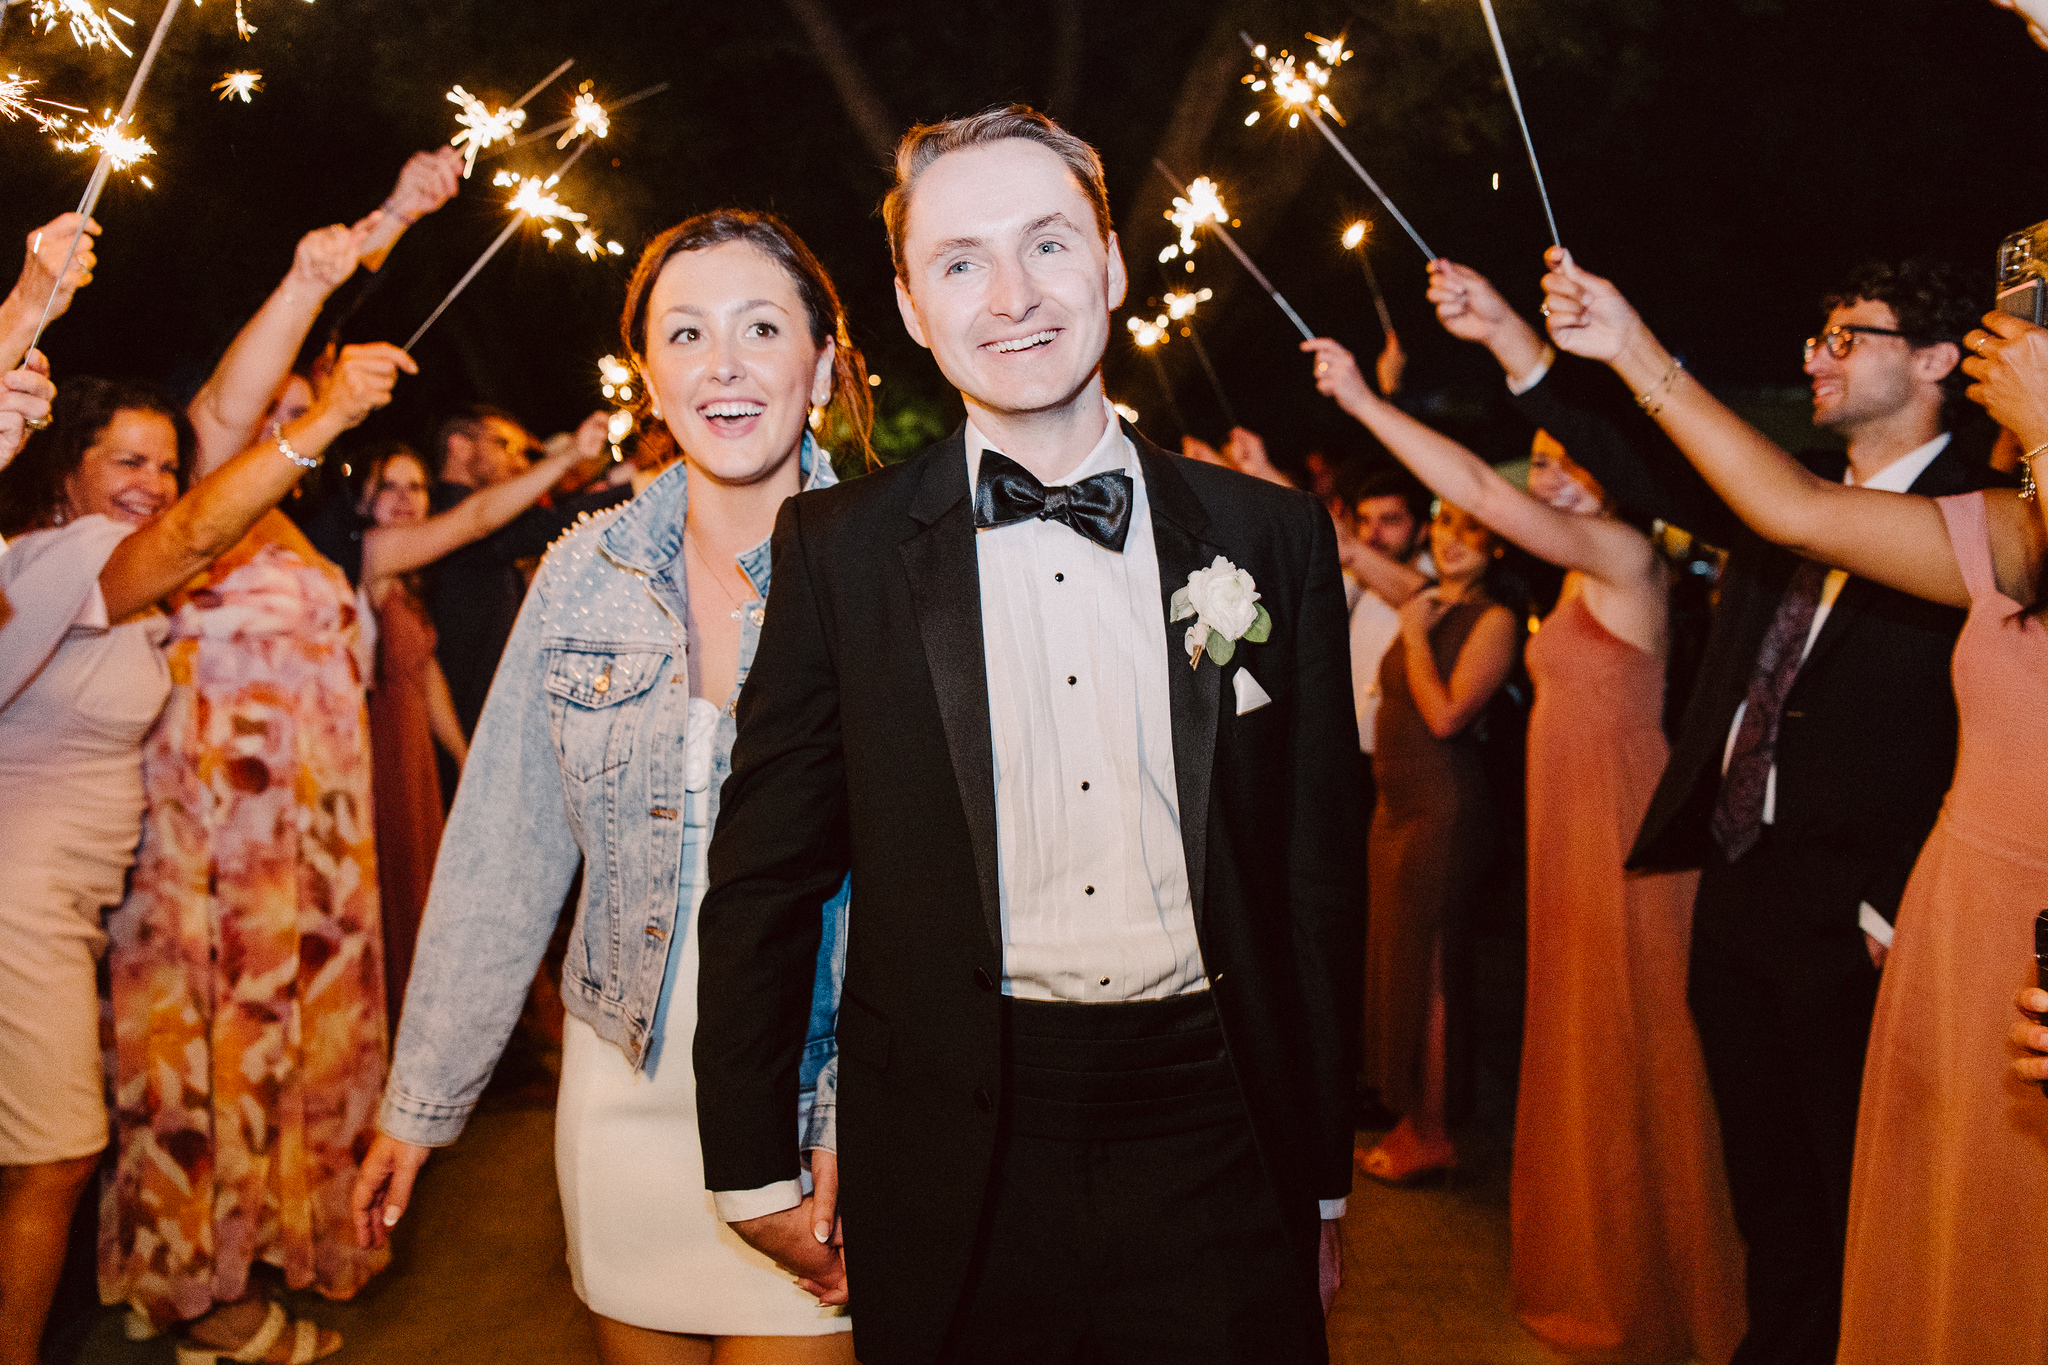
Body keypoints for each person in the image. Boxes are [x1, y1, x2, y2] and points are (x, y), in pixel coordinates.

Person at [690, 105, 1361, 1365]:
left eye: (1047, 245)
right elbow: (767, 873)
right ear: (908, 307)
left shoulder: (1269, 538)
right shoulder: (838, 553)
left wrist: (1320, 1175)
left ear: (1110, 265)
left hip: (1221, 1126)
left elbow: (1313, 878)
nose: (1011, 297)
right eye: (960, 262)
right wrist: (750, 1162)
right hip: (949, 1146)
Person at [351, 209, 865, 1365]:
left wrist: (852, 1110)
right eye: (685, 332)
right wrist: (420, 1101)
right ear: (649, 373)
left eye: (759, 327)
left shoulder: (885, 567)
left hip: (818, 1100)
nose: (721, 363)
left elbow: (923, 891)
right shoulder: (581, 574)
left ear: (823, 364)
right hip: (620, 1086)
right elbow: (503, 849)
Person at [1538, 248, 2003, 1365]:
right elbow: (1648, 467)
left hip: (1863, 915)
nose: (1817, 357)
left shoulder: (1983, 519)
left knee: (1856, 1190)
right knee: (1766, 1180)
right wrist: (1520, 349)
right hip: (1742, 877)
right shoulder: (1785, 481)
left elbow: (1985, 728)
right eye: (1816, 336)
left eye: (1849, 336)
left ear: (1936, 359)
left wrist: (1892, 900)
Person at [1307, 297, 1746, 1362]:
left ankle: (1660, 1284)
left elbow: (1471, 490)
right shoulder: (1575, 576)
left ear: (1611, 471)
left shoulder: (1623, 555)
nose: (1544, 476)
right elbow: (1416, 567)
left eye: (1563, 461)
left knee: (1631, 1051)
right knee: (1585, 1048)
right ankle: (1605, 1262)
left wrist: (1364, 401)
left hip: (1620, 833)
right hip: (1568, 829)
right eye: (1539, 461)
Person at [0, 353, 403, 1365]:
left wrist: (325, 274)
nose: (153, 482)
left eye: (166, 465)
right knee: (55, 1159)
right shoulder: (71, 556)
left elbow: (209, 452)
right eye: (126, 460)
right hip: (23, 895)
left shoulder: (94, 568)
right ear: (67, 467)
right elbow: (193, 529)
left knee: (44, 1158)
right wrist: (324, 420)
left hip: (73, 897)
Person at [98, 211, 424, 1357]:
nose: (286, 418)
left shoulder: (293, 529)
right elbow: (225, 416)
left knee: (289, 1052)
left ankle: (260, 1247)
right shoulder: (194, 504)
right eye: (270, 403)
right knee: (196, 1056)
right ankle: (195, 1289)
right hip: (207, 843)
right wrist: (313, 276)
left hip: (311, 848)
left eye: (304, 406)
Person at [350, 435, 599, 1031]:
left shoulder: (409, 576)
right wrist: (568, 458)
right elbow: (477, 518)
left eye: (415, 488)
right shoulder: (373, 554)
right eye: (388, 487)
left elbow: (425, 670)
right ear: (361, 499)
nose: (405, 499)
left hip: (414, 745)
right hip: (374, 745)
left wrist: (465, 755)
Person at [1346, 497, 1517, 1186]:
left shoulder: (1494, 620)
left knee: (1433, 970)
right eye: (1446, 524)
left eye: (1473, 529)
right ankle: (1410, 1115)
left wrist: (1414, 637)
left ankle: (1434, 1132)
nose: (1453, 539)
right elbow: (1352, 552)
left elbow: (1446, 716)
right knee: (1397, 963)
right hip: (1394, 806)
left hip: (1443, 811)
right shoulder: (1425, 599)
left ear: (1497, 545)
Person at [421, 404, 633, 743]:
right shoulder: (446, 516)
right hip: (461, 723)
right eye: (503, 444)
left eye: (521, 451)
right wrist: (637, 486)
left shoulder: (489, 519)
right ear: (459, 446)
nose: (518, 461)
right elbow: (553, 525)